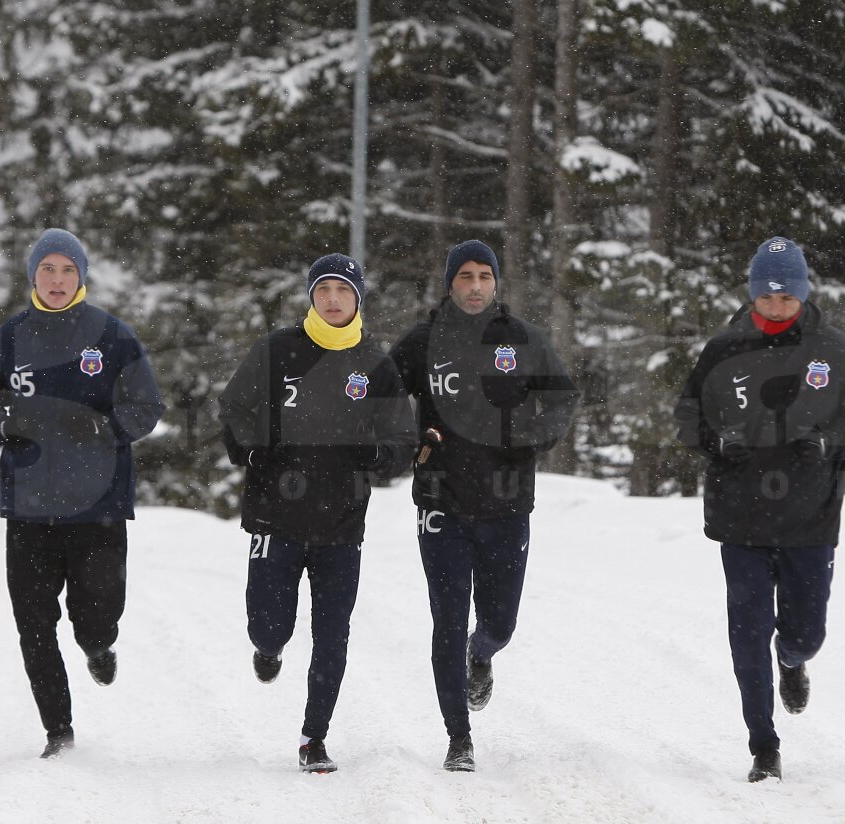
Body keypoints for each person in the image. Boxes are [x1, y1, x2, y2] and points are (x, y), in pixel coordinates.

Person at [674, 236, 845, 783]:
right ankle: (763, 747)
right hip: (740, 515)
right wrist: (717, 443)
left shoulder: (834, 349)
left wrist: (828, 441)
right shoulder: (723, 349)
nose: (775, 306)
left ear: (803, 293)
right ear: (752, 294)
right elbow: (688, 416)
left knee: (806, 633)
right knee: (747, 635)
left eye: (786, 296)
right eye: (766, 296)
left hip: (809, 517)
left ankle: (792, 660)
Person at [0, 228, 164, 759]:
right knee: (34, 625)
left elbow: (147, 406)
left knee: (95, 618)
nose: (57, 280)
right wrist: (8, 421)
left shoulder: (112, 336)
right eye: (48, 269)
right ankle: (59, 731)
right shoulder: (10, 339)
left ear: (81, 276)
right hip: (29, 509)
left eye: (67, 270)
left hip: (98, 508)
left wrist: (105, 427)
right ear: (33, 276)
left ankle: (99, 646)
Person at [218, 253, 416, 774]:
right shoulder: (277, 349)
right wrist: (252, 450)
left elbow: (402, 438)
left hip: (341, 525)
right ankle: (268, 649)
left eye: (343, 290)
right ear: (311, 296)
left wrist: (378, 456)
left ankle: (314, 737)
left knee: (332, 636)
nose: (332, 299)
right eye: (323, 289)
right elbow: (234, 408)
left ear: (358, 299)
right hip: (275, 517)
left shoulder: (375, 363)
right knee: (269, 627)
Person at [388, 240, 579, 771]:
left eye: (484, 277)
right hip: (440, 501)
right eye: (465, 276)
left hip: (507, 501)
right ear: (450, 282)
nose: (475, 286)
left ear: (496, 282)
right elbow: (379, 397)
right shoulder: (422, 341)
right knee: (447, 621)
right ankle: (459, 738)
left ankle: (483, 653)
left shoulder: (522, 339)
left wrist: (530, 436)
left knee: (500, 623)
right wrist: (408, 441)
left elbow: (562, 397)